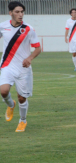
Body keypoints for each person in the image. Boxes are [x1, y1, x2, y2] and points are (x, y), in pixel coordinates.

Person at [0, 1, 41, 132]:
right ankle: (11, 105)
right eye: (17, 12)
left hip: (23, 68)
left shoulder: (28, 29)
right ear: (10, 13)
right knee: (3, 91)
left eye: (22, 12)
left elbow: (38, 48)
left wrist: (30, 58)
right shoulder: (3, 26)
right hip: (7, 65)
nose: (20, 14)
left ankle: (22, 120)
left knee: (22, 97)